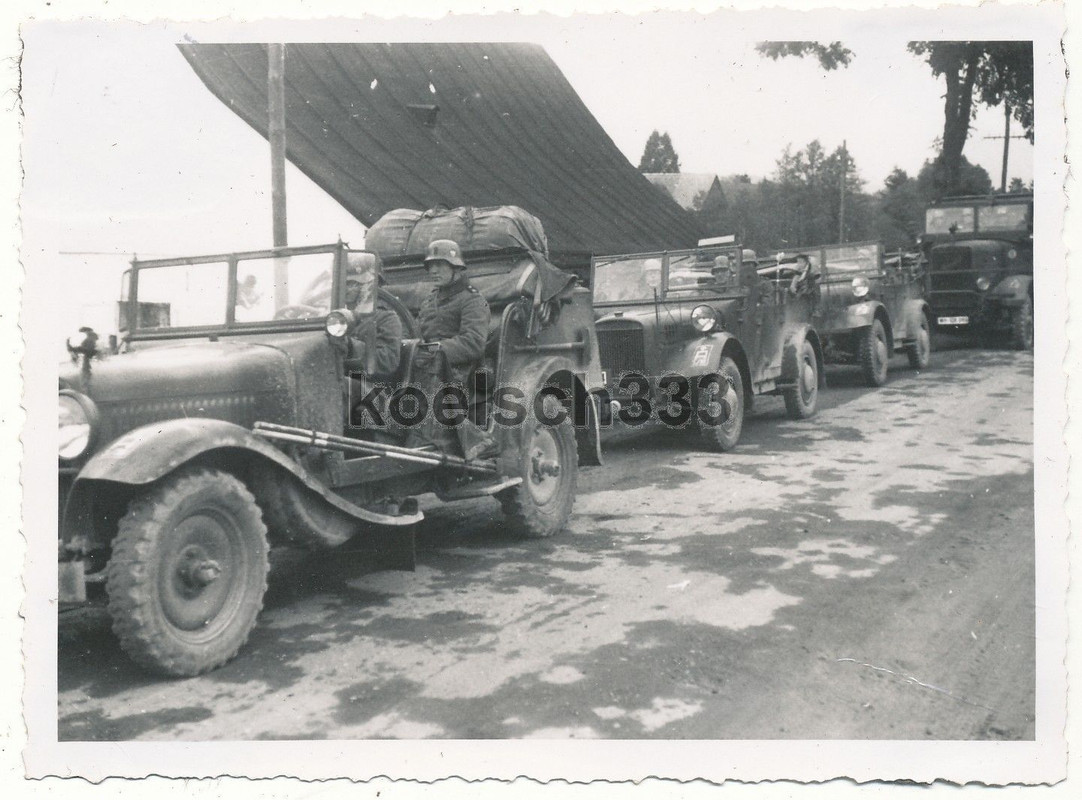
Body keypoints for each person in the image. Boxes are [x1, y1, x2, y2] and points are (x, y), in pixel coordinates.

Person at [413, 239, 495, 461]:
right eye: (431, 265)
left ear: (456, 268)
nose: (434, 270)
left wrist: (436, 349)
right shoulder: (430, 300)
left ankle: (474, 439)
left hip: (460, 370)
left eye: (441, 264)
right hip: (431, 364)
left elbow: (474, 343)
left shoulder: (472, 300)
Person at [337, 269, 403, 381]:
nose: (346, 288)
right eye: (344, 283)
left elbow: (388, 361)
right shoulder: (334, 318)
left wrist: (352, 346)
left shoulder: (386, 318)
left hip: (369, 386)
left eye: (353, 283)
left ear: (367, 286)